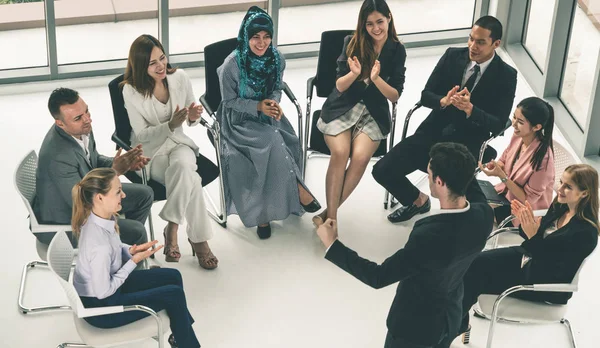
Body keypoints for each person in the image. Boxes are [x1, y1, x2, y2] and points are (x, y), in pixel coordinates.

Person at [316, 143, 494, 348]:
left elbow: (378, 276)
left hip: (414, 329)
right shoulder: (484, 215)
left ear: (439, 181)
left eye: (429, 174)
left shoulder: (429, 237)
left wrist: (332, 245)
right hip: (450, 316)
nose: (427, 179)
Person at [373, 15, 517, 223]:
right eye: (471, 39)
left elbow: (498, 123)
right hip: (433, 131)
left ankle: (473, 223)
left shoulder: (506, 75)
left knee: (455, 183)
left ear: (496, 44)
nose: (472, 46)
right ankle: (417, 201)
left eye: (480, 42)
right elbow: (426, 95)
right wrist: (443, 100)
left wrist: (471, 110)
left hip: (467, 142)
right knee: (381, 170)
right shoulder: (452, 56)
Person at [459, 164, 599, 343]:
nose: (560, 189)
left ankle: (452, 326)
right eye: (561, 182)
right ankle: (456, 322)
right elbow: (536, 238)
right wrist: (528, 227)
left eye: (568, 187)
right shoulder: (560, 206)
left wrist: (533, 235)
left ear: (585, 193)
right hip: (528, 259)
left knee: (475, 278)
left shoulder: (586, 233)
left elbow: (554, 270)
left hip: (542, 280)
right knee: (472, 262)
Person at [216, 6, 320, 239]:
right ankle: (289, 195)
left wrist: (272, 103)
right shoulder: (231, 65)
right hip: (238, 121)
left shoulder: (277, 59)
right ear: (246, 37)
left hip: (267, 116)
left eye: (266, 37)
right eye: (255, 37)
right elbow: (228, 101)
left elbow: (276, 88)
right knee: (272, 141)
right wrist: (257, 106)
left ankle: (271, 207)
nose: (261, 43)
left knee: (286, 141)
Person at [72, 168, 200, 348]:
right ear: (100, 198)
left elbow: (112, 249)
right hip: (102, 309)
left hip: (107, 291)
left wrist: (130, 251)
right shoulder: (98, 245)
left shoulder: (98, 218)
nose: (123, 195)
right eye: (118, 192)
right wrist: (133, 263)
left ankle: (182, 337)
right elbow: (103, 292)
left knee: (173, 276)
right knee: (174, 294)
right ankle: (188, 344)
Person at [121, 34, 218, 269]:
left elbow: (191, 114)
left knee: (184, 166)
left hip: (179, 143)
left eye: (162, 58)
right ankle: (199, 242)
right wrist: (170, 124)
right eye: (152, 63)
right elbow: (142, 134)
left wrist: (194, 117)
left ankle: (172, 227)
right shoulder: (130, 91)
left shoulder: (180, 77)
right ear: (141, 67)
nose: (161, 66)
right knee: (191, 179)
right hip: (151, 152)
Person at [313, 0, 406, 226]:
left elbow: (395, 96)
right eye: (369, 24)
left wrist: (376, 79)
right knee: (340, 153)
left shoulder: (397, 49)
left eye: (380, 22)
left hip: (373, 112)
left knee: (361, 157)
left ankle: (327, 214)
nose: (375, 28)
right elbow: (340, 86)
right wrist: (354, 74)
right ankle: (332, 220)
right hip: (342, 106)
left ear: (389, 18)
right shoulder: (351, 43)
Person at [34, 87, 152, 247]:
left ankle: (119, 250)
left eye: (86, 112)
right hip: (65, 222)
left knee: (144, 195)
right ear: (60, 123)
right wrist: (115, 172)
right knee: (136, 232)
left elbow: (93, 161)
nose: (87, 119)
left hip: (84, 198)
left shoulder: (81, 128)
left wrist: (122, 164)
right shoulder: (57, 156)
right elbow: (82, 202)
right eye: (78, 118)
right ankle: (128, 266)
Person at [479, 97, 555, 225]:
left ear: (536, 127)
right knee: (470, 195)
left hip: (522, 212)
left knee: (476, 214)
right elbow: (505, 157)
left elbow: (527, 200)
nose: (513, 124)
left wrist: (502, 177)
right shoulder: (519, 136)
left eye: (520, 121)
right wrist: (497, 166)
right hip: (504, 196)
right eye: (514, 117)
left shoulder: (544, 160)